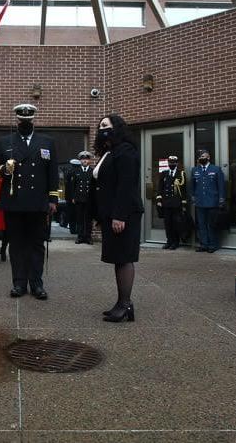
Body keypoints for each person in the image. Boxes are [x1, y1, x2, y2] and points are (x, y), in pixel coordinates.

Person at [0, 103, 58, 300]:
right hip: (14, 202)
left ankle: (37, 284)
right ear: (17, 120)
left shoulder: (47, 142)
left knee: (37, 244)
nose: (25, 122)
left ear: (33, 120)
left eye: (29, 120)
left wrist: (53, 198)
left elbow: (52, 172)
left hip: (38, 203)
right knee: (17, 244)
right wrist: (4, 169)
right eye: (22, 120)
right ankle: (19, 283)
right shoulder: (5, 142)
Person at [92, 114, 142, 323]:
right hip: (111, 214)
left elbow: (126, 185)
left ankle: (125, 304)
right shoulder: (109, 152)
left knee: (124, 258)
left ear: (117, 128)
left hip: (124, 214)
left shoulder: (126, 151)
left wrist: (119, 216)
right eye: (100, 125)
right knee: (118, 258)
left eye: (106, 125)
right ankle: (122, 303)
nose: (102, 128)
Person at [190, 149, 225, 253]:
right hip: (200, 202)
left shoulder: (216, 169)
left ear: (209, 157)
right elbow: (192, 186)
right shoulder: (195, 170)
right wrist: (193, 197)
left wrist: (221, 199)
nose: (202, 158)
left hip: (212, 202)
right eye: (200, 157)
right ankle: (204, 244)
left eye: (204, 156)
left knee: (211, 224)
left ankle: (212, 245)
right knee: (201, 224)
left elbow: (221, 186)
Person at [155, 155, 186, 250]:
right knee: (167, 223)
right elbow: (160, 188)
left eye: (173, 163)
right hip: (166, 203)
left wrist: (184, 203)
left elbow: (184, 189)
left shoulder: (181, 174)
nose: (171, 164)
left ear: (176, 163)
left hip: (176, 204)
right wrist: (159, 200)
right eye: (170, 163)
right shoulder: (164, 173)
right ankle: (169, 241)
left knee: (176, 223)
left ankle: (175, 242)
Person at [72, 151, 94, 244]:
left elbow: (94, 187)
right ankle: (80, 237)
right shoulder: (75, 171)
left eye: (86, 159)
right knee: (80, 219)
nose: (84, 161)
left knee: (88, 219)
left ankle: (88, 237)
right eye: (83, 159)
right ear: (80, 160)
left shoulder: (92, 171)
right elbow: (72, 186)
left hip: (89, 199)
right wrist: (73, 197)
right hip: (79, 199)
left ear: (89, 161)